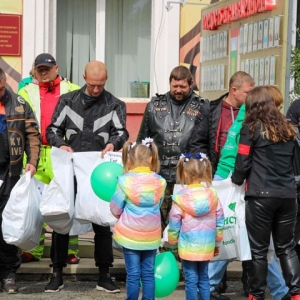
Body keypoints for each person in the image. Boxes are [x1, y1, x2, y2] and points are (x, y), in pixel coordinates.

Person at [46, 60, 129, 293]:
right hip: (70, 169)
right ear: (83, 77)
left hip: (99, 172)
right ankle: (57, 273)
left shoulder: (115, 104)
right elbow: (52, 129)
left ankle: (104, 274)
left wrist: (114, 143)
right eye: (92, 85)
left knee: (102, 221)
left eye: (100, 85)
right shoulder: (67, 100)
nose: (95, 90)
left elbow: (121, 132)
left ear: (107, 79)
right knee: (62, 217)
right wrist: (61, 145)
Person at [213, 85, 290, 300]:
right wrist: (235, 179)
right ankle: (281, 291)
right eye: (276, 105)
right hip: (241, 186)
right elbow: (241, 159)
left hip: (241, 185)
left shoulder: (247, 123)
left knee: (237, 237)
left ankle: (276, 291)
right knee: (252, 243)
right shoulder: (255, 126)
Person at [189, 71, 255, 300]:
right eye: (248, 91)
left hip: (242, 177)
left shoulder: (252, 111)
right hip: (219, 176)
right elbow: (198, 141)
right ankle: (212, 286)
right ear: (234, 90)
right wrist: (205, 171)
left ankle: (250, 286)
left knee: (241, 229)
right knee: (223, 229)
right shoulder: (211, 109)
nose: (251, 95)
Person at [231, 86, 300, 300]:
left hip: (260, 196)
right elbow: (295, 164)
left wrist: (236, 180)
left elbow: (242, 163)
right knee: (286, 247)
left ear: (254, 106)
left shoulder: (250, 128)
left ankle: (256, 295)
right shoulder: (289, 129)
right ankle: (297, 294)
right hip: (288, 196)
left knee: (259, 251)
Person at [18, 53, 81, 265]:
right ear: (34, 70)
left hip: (62, 152)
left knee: (66, 202)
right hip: (35, 152)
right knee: (35, 204)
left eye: (48, 68)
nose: (44, 72)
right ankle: (33, 250)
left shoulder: (72, 90)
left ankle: (70, 250)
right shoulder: (25, 91)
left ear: (57, 68)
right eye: (40, 69)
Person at [137, 65, 208, 233]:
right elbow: (142, 140)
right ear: (169, 84)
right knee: (154, 218)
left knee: (184, 220)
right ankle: (157, 254)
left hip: (188, 175)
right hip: (157, 172)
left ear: (191, 84)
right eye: (174, 86)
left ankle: (181, 255)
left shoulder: (203, 106)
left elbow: (208, 141)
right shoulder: (154, 105)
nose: (178, 90)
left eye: (182, 86)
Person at [110, 138, 167, 300]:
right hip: (151, 236)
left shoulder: (125, 181)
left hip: (130, 237)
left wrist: (120, 216)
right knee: (148, 273)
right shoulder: (160, 182)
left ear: (129, 160)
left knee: (133, 274)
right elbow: (159, 204)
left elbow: (115, 207)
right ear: (151, 159)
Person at [0, 68, 41, 293]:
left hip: (10, 174)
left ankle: (8, 274)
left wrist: (32, 161)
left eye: (1, 88)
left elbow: (33, 135)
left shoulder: (19, 103)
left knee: (9, 225)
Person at [168, 152, 224, 300]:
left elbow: (174, 223)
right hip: (207, 245)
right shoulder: (213, 195)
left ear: (185, 174)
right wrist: (217, 242)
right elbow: (220, 220)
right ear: (205, 171)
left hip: (187, 246)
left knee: (191, 280)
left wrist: (172, 242)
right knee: (204, 277)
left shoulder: (180, 198)